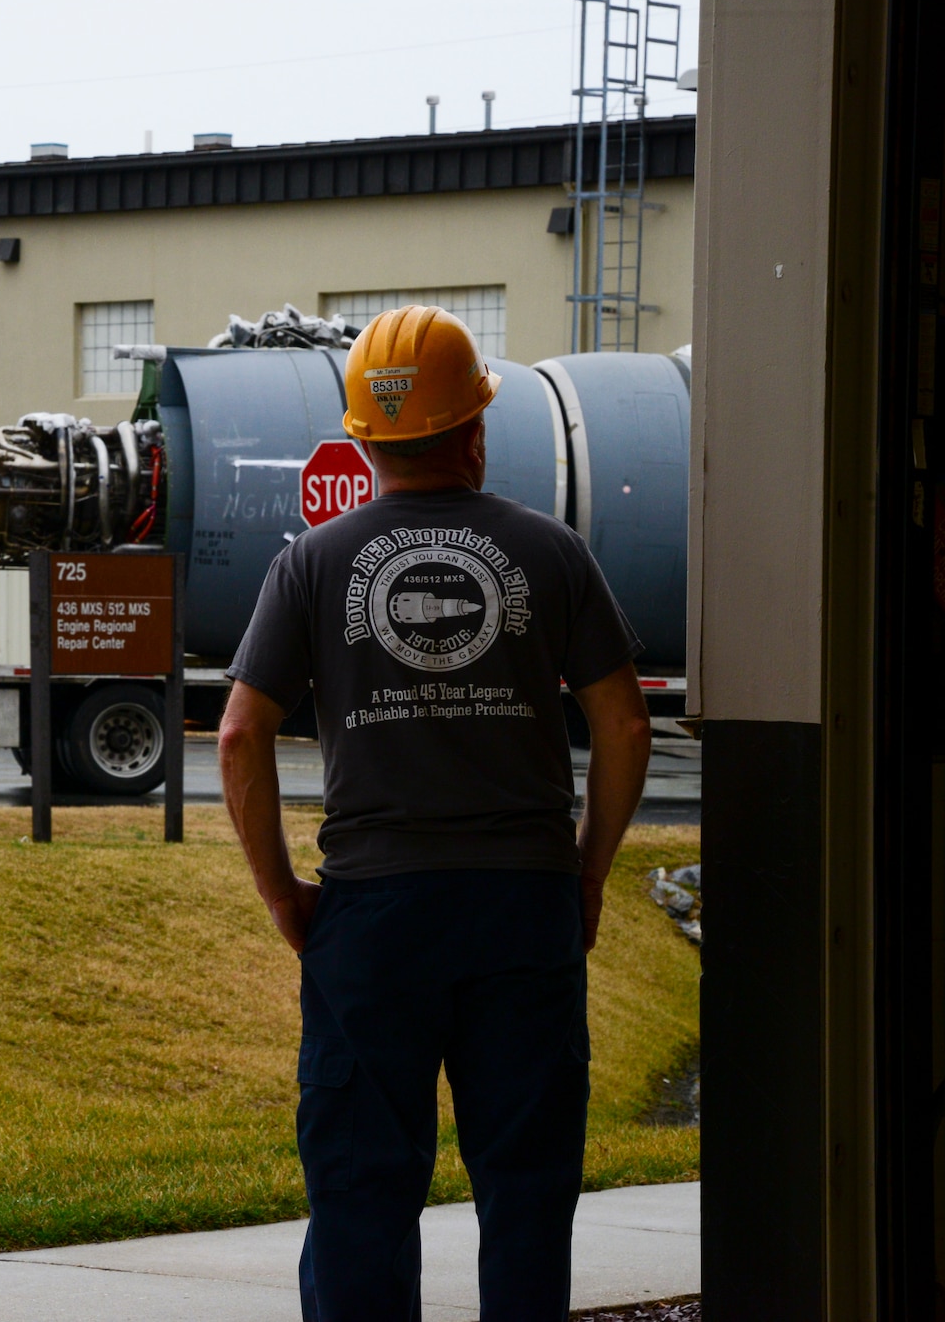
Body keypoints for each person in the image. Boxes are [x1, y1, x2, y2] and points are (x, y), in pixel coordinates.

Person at [218, 305, 653, 1321]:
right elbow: (626, 728)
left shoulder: (311, 563)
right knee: (526, 1194)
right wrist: (583, 875)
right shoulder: (551, 554)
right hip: (521, 911)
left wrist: (285, 895)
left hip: (371, 920)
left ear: (363, 441)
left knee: (362, 1196)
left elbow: (238, 736)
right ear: (475, 430)